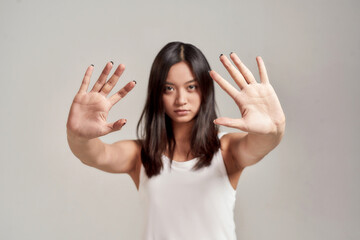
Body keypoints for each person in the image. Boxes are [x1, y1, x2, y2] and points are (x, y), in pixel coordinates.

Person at [66, 41, 286, 240]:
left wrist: (275, 129)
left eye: (191, 87)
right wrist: (78, 136)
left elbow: (262, 144)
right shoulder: (139, 154)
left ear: (205, 90)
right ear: (157, 93)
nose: (181, 99)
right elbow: (94, 155)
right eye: (169, 88)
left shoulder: (227, 150)